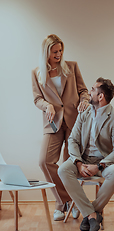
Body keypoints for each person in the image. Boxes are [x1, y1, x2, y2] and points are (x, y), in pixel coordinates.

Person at [32, 34, 90, 221]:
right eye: (55, 51)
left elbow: (83, 90)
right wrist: (46, 105)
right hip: (53, 122)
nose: (59, 54)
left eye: (60, 50)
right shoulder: (37, 73)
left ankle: (64, 205)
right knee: (44, 161)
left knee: (68, 165)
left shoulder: (71, 67)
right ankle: (66, 201)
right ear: (46, 52)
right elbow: (37, 99)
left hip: (74, 120)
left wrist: (85, 100)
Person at [58, 78, 114, 231]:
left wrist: (100, 165)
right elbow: (73, 140)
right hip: (82, 161)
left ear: (100, 96)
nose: (89, 92)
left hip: (104, 164)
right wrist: (78, 163)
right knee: (63, 170)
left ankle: (89, 213)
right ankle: (92, 215)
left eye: (92, 89)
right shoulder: (84, 113)